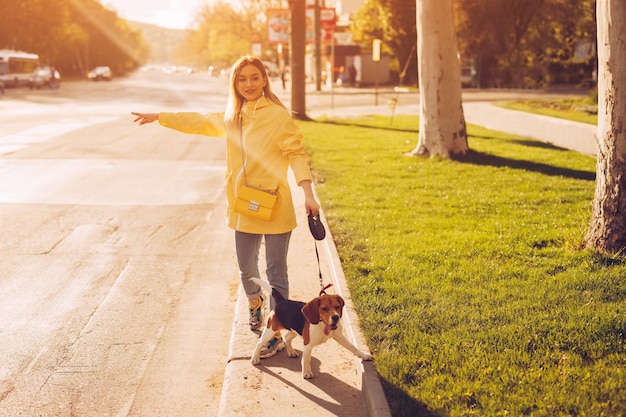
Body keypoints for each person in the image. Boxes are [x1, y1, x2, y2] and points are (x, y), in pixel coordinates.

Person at [132, 55, 320, 359]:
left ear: (264, 80)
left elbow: (297, 154)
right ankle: (255, 303)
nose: (249, 84)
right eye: (242, 79)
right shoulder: (233, 116)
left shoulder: (278, 115)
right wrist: (160, 116)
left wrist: (308, 193)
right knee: (247, 269)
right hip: (244, 205)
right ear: (235, 83)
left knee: (276, 274)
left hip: (276, 206)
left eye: (254, 78)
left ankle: (275, 333)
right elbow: (199, 120)